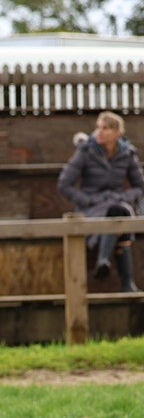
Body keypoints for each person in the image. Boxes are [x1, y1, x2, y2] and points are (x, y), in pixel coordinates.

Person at [58, 110, 144, 292]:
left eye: (105, 128)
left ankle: (104, 261)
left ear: (117, 133)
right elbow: (64, 184)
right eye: (98, 127)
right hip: (92, 206)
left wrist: (124, 196)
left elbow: (140, 186)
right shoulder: (85, 151)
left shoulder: (127, 154)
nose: (99, 132)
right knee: (118, 217)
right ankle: (126, 282)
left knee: (119, 211)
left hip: (117, 202)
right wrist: (87, 199)